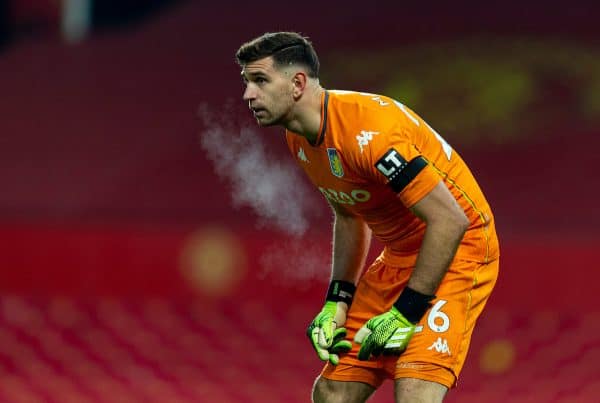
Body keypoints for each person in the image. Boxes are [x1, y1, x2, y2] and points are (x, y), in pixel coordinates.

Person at [235, 32, 499, 403]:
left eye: (259, 80)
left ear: (297, 84)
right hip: (400, 254)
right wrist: (336, 301)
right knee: (331, 394)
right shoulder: (300, 138)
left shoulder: (370, 133)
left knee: (415, 394)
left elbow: (451, 222)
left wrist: (407, 312)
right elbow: (348, 214)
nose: (248, 94)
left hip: (460, 249)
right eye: (246, 81)